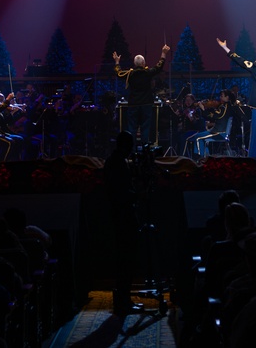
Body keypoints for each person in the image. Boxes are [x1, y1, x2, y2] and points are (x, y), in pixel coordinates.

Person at [105, 131, 139, 316]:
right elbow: (122, 191)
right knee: (125, 259)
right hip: (123, 215)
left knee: (123, 259)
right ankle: (123, 300)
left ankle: (123, 298)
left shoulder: (113, 161)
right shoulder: (119, 163)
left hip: (118, 215)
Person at [113, 44, 170, 145]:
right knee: (145, 128)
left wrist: (117, 61)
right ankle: (145, 151)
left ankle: (131, 151)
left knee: (132, 128)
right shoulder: (147, 72)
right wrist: (163, 53)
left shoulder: (130, 74)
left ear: (135, 63)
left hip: (133, 103)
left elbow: (119, 73)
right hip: (146, 103)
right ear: (143, 63)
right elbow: (159, 67)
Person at [190, 90, 236, 157]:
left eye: (222, 96)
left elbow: (216, 116)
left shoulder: (224, 107)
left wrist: (203, 109)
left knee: (198, 138)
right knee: (199, 135)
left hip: (220, 132)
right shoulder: (226, 106)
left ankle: (200, 158)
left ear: (227, 97)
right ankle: (206, 156)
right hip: (217, 131)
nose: (220, 97)